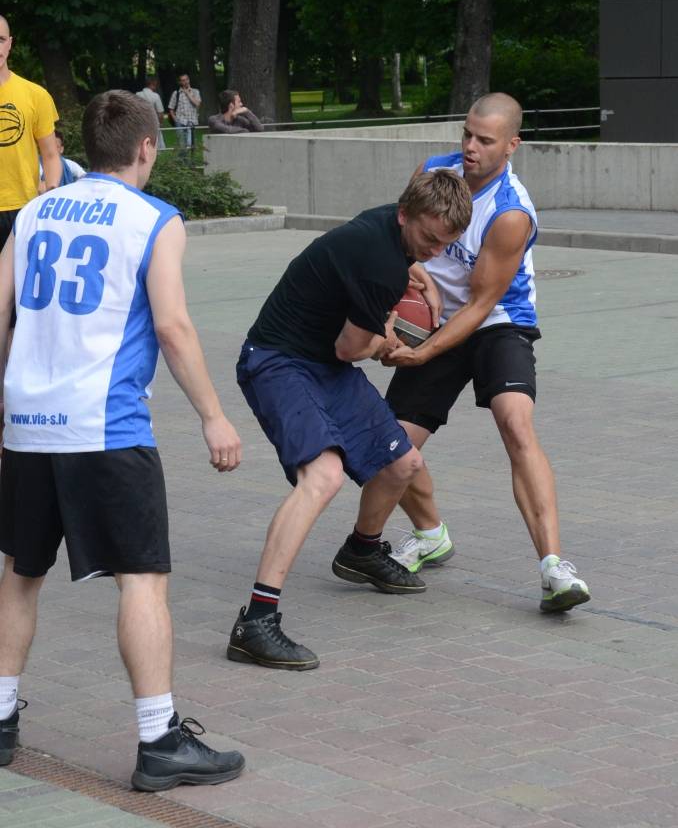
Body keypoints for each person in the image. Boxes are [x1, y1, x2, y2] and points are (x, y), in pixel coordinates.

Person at [0, 91, 245, 790]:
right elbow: (172, 325)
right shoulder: (153, 219)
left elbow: (0, 310)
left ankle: (0, 716)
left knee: (20, 572)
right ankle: (158, 739)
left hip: (28, 422)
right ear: (145, 147)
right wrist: (213, 415)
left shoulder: (34, 211)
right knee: (141, 578)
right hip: (105, 426)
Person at [227, 170, 473, 671]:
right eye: (428, 239)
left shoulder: (389, 229)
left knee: (403, 464)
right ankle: (256, 622)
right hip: (277, 361)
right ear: (405, 214)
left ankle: (361, 551)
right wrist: (389, 340)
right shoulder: (380, 262)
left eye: (443, 245)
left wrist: (418, 272)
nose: (433, 252)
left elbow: (389, 278)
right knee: (324, 477)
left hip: (323, 363)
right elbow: (351, 347)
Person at [383, 92, 591, 614]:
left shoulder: (511, 212)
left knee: (515, 423)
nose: (471, 147)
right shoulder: (434, 172)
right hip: (438, 319)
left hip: (498, 322)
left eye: (485, 140)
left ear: (512, 145)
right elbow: (400, 235)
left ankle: (554, 568)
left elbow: (480, 303)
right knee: (386, 444)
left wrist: (424, 353)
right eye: (467, 135)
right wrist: (418, 278)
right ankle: (430, 535)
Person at [0, 14, 61, 256]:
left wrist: (51, 192)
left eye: (0, 39)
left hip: (24, 206)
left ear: (10, 43)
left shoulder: (35, 95)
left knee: (21, 277)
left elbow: (51, 154)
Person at [167, 73, 200, 149]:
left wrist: (188, 93)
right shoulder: (176, 93)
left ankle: (190, 156)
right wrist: (176, 120)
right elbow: (171, 108)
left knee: (191, 144)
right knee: (182, 145)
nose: (185, 82)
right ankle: (182, 156)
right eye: (183, 80)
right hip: (180, 121)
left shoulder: (195, 91)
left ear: (189, 80)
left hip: (192, 121)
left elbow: (197, 104)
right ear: (180, 82)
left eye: (186, 79)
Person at [136, 76, 166, 150]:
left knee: (141, 141)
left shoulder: (137, 94)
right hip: (153, 122)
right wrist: (161, 123)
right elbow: (160, 112)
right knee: (155, 143)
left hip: (141, 123)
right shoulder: (155, 96)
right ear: (153, 84)